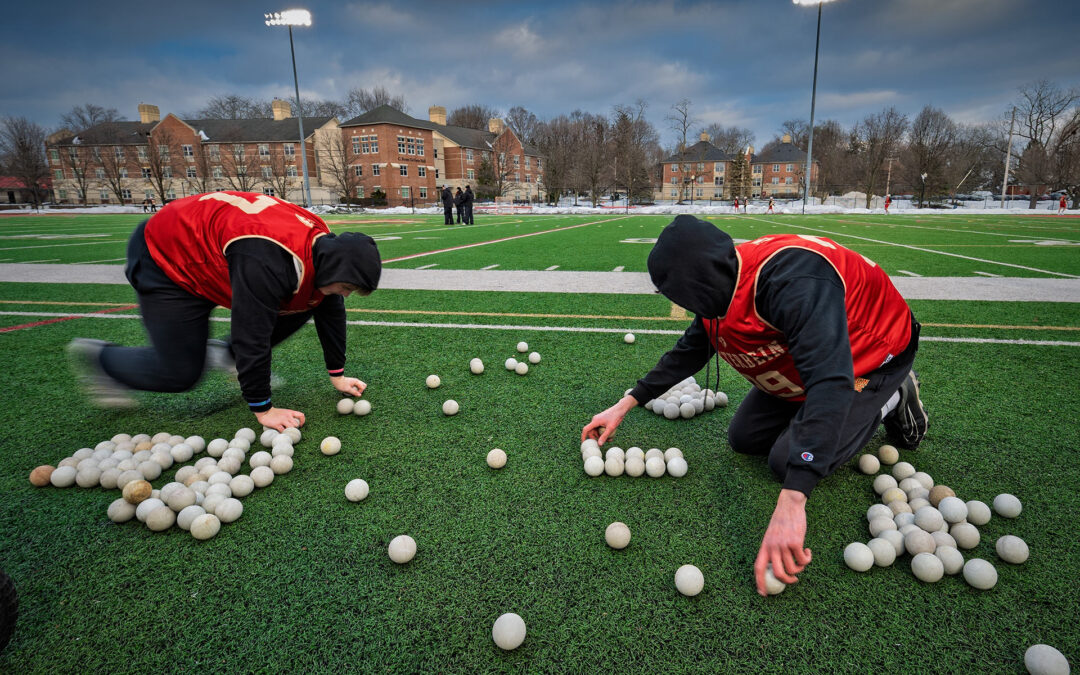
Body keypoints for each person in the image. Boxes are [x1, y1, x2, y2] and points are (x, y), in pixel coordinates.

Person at [581, 215, 928, 597]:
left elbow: (830, 382)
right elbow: (693, 348)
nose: (676, 302)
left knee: (787, 463)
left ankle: (892, 396)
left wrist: (795, 498)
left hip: (870, 356)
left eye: (676, 293)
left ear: (697, 284)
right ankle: (832, 413)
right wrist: (626, 403)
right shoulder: (722, 282)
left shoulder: (792, 283)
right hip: (806, 358)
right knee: (744, 438)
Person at [67, 191, 382, 431]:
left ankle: (226, 355)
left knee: (310, 298)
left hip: (217, 255)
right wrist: (263, 409)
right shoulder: (269, 262)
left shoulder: (324, 246)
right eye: (347, 287)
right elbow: (252, 332)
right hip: (168, 260)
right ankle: (103, 360)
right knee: (179, 373)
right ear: (335, 268)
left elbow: (330, 305)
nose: (346, 295)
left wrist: (337, 374)